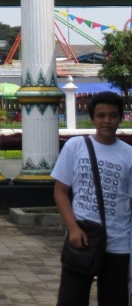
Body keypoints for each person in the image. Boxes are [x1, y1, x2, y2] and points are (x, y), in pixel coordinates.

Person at [52, 90, 132, 306]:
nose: (107, 121)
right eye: (101, 115)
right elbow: (60, 191)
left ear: (121, 117)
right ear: (93, 117)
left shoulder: (128, 154)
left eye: (113, 115)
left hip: (118, 242)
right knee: (71, 300)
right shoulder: (75, 146)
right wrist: (73, 228)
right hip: (82, 238)